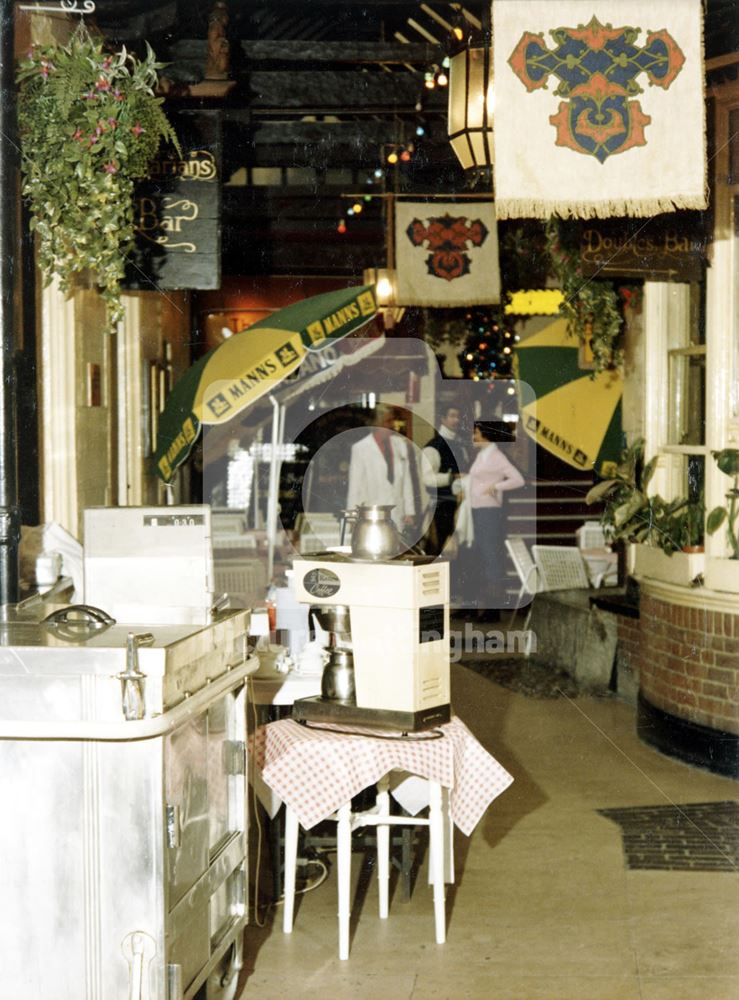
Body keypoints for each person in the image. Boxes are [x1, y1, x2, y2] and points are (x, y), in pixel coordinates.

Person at [467, 421, 524, 621]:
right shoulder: (483, 454)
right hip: (478, 510)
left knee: (492, 559)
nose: (473, 435)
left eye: (476, 432)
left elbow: (518, 479)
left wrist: (497, 486)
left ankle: (493, 610)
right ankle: (486, 606)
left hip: (489, 512)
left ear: (484, 434)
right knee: (484, 557)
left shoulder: (497, 456)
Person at [346, 407, 415, 533]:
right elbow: (354, 486)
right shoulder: (360, 448)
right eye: (388, 421)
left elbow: (407, 481)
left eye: (392, 421)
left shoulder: (401, 445)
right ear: (377, 424)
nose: (392, 425)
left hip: (397, 513)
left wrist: (409, 512)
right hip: (372, 514)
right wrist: (352, 518)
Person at [421, 405, 469, 556]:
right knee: (438, 549)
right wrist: (451, 477)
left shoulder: (461, 445)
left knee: (458, 550)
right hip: (441, 506)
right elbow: (427, 478)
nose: (456, 420)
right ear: (443, 419)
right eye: (452, 416)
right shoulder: (433, 446)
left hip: (461, 504)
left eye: (458, 416)